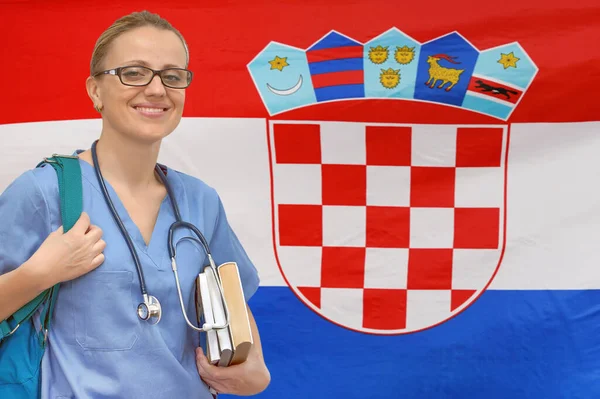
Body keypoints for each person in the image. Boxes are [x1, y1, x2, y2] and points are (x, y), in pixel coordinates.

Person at [0, 10, 270, 398]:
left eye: (172, 76)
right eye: (134, 72)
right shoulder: (47, 193)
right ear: (95, 90)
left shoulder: (200, 201)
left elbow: (234, 300)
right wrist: (39, 274)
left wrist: (256, 369)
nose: (157, 89)